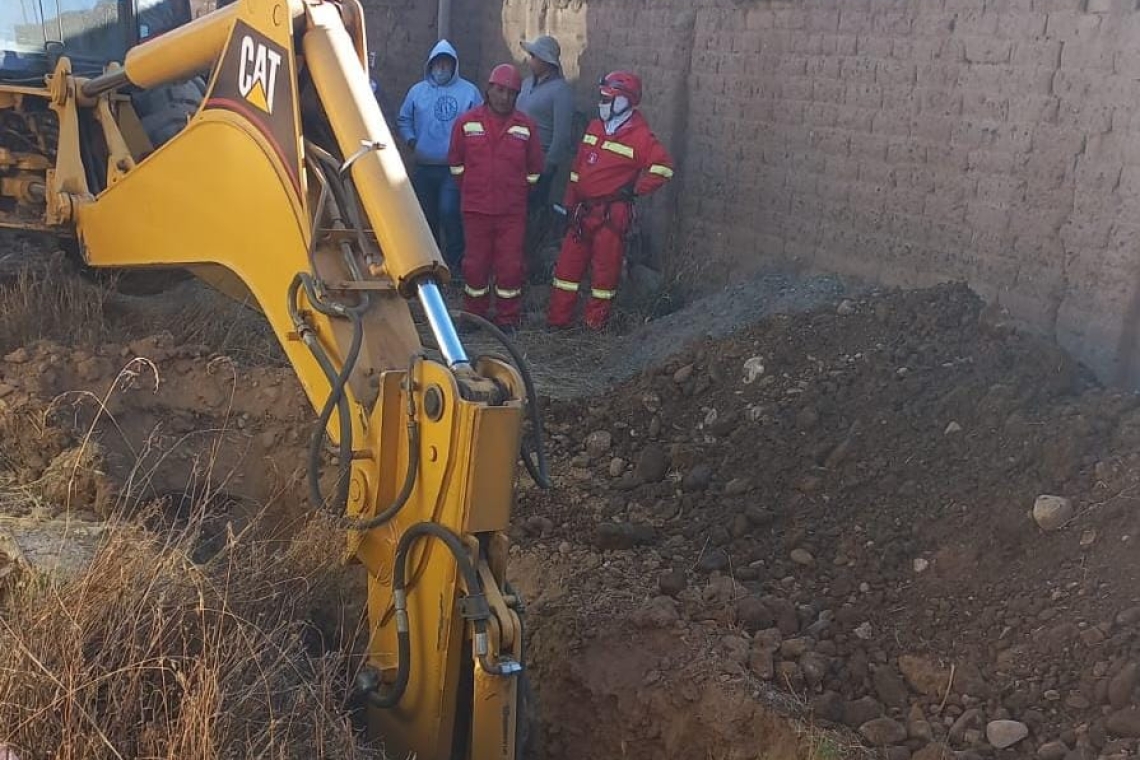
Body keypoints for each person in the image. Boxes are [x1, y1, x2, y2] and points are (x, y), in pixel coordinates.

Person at [546, 70, 674, 331]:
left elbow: (663, 168)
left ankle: (594, 327)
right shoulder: (595, 128)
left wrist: (635, 190)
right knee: (566, 271)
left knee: (605, 275)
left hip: (611, 217)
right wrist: (570, 204)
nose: (601, 103)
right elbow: (577, 169)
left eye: (607, 98)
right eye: (601, 97)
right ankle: (557, 322)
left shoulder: (640, 137)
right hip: (583, 212)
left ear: (624, 100)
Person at [448, 64, 544, 332]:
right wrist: (472, 188)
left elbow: (535, 168)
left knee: (510, 267)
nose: (504, 97)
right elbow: (455, 162)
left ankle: (507, 320)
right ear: (489, 89)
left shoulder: (526, 127)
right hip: (476, 210)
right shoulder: (466, 123)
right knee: (475, 266)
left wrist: (516, 191)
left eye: (511, 93)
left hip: (511, 213)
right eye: (500, 90)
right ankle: (473, 317)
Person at [396, 40, 481, 272]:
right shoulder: (417, 91)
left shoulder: (469, 92)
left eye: (446, 63)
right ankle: (431, 266)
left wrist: (468, 153)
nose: (441, 68)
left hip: (453, 168)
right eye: (438, 63)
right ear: (430, 64)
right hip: (423, 166)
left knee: (449, 212)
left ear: (454, 65)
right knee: (426, 217)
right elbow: (403, 118)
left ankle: (456, 265)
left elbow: (479, 126)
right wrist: (411, 140)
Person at [516, 35, 574, 210]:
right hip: (516, 156)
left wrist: (548, 164)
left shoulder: (561, 91)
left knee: (532, 209)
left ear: (546, 61)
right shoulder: (526, 84)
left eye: (534, 57)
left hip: (538, 160)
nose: (530, 60)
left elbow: (561, 133)